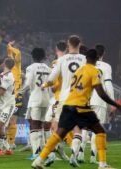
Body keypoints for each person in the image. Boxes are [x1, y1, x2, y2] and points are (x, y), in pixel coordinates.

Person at [31, 49, 121, 169]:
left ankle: (38, 161)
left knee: (59, 134)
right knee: (100, 131)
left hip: (68, 105)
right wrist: (118, 105)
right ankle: (102, 165)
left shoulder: (78, 71)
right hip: (81, 107)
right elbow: (101, 93)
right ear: (97, 58)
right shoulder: (94, 71)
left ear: (86, 58)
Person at [41, 35, 87, 166]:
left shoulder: (62, 59)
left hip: (64, 97)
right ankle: (74, 156)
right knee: (78, 128)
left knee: (54, 127)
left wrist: (44, 85)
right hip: (79, 97)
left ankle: (50, 155)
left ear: (68, 44)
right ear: (80, 44)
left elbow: (52, 78)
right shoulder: (85, 60)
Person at [78, 44, 115, 163]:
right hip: (99, 100)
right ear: (103, 53)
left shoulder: (85, 65)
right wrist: (112, 103)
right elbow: (108, 85)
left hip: (86, 98)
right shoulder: (106, 66)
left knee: (84, 128)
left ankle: (80, 154)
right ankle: (93, 157)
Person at [19, 48, 51, 160]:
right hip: (46, 99)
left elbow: (28, 83)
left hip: (35, 99)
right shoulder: (48, 68)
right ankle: (43, 152)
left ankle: (36, 153)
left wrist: (20, 93)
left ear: (32, 57)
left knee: (33, 124)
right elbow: (51, 84)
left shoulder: (30, 68)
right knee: (41, 125)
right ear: (43, 57)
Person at [0, 58, 16, 156]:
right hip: (1, 104)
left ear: (5, 64)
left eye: (3, 62)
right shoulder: (2, 75)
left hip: (8, 105)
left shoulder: (9, 77)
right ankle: (8, 149)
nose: (1, 63)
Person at [7, 41, 22, 150]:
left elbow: (18, 53)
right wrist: (9, 47)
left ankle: (11, 142)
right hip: (7, 97)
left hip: (16, 97)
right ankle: (5, 141)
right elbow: (10, 54)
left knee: (13, 120)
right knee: (5, 120)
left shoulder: (17, 65)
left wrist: (10, 46)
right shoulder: (8, 67)